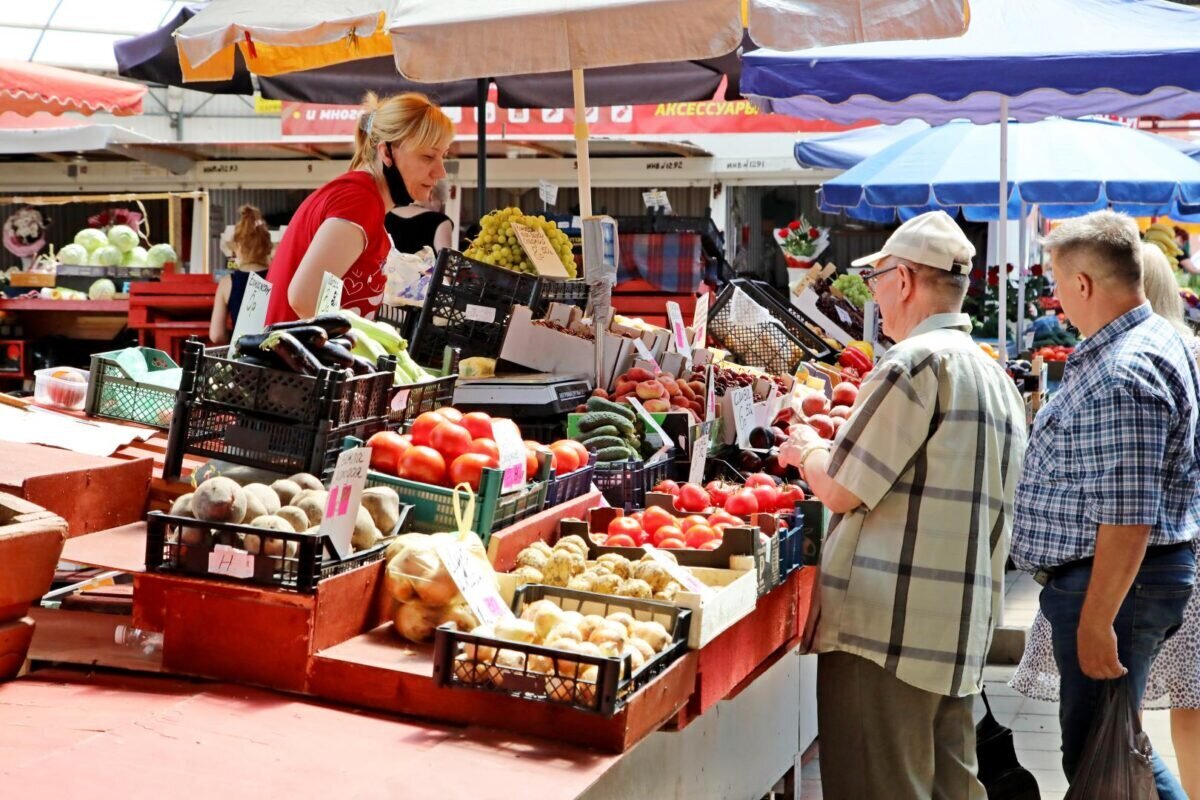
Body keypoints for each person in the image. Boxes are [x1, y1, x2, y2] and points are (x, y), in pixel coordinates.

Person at [780, 211, 1028, 800]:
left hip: (885, 634)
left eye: (877, 280)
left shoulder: (914, 362)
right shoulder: (995, 377)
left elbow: (841, 487)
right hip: (958, 630)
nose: (877, 296)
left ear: (906, 280)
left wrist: (808, 449)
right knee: (950, 788)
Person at [1011, 211, 1200, 800]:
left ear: (1084, 284)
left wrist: (1095, 620)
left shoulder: (1125, 370)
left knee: (1103, 751)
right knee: (1111, 746)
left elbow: (1128, 515)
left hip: (1117, 588)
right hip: (1124, 583)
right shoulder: (1151, 340)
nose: (1057, 297)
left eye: (1058, 283)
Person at [265, 92, 454, 324]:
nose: (441, 172)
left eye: (443, 156)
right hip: (292, 358)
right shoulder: (359, 201)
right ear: (386, 152)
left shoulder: (363, 197)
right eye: (428, 156)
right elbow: (305, 299)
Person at [208, 205, 272, 345]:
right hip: (273, 356)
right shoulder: (277, 279)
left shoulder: (227, 283)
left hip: (241, 356)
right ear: (267, 247)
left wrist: (236, 339)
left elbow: (216, 335)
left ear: (238, 247)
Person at [385, 180, 454, 254]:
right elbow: (445, 262)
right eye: (440, 201)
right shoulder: (441, 221)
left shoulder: (385, 216)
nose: (439, 208)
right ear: (431, 195)